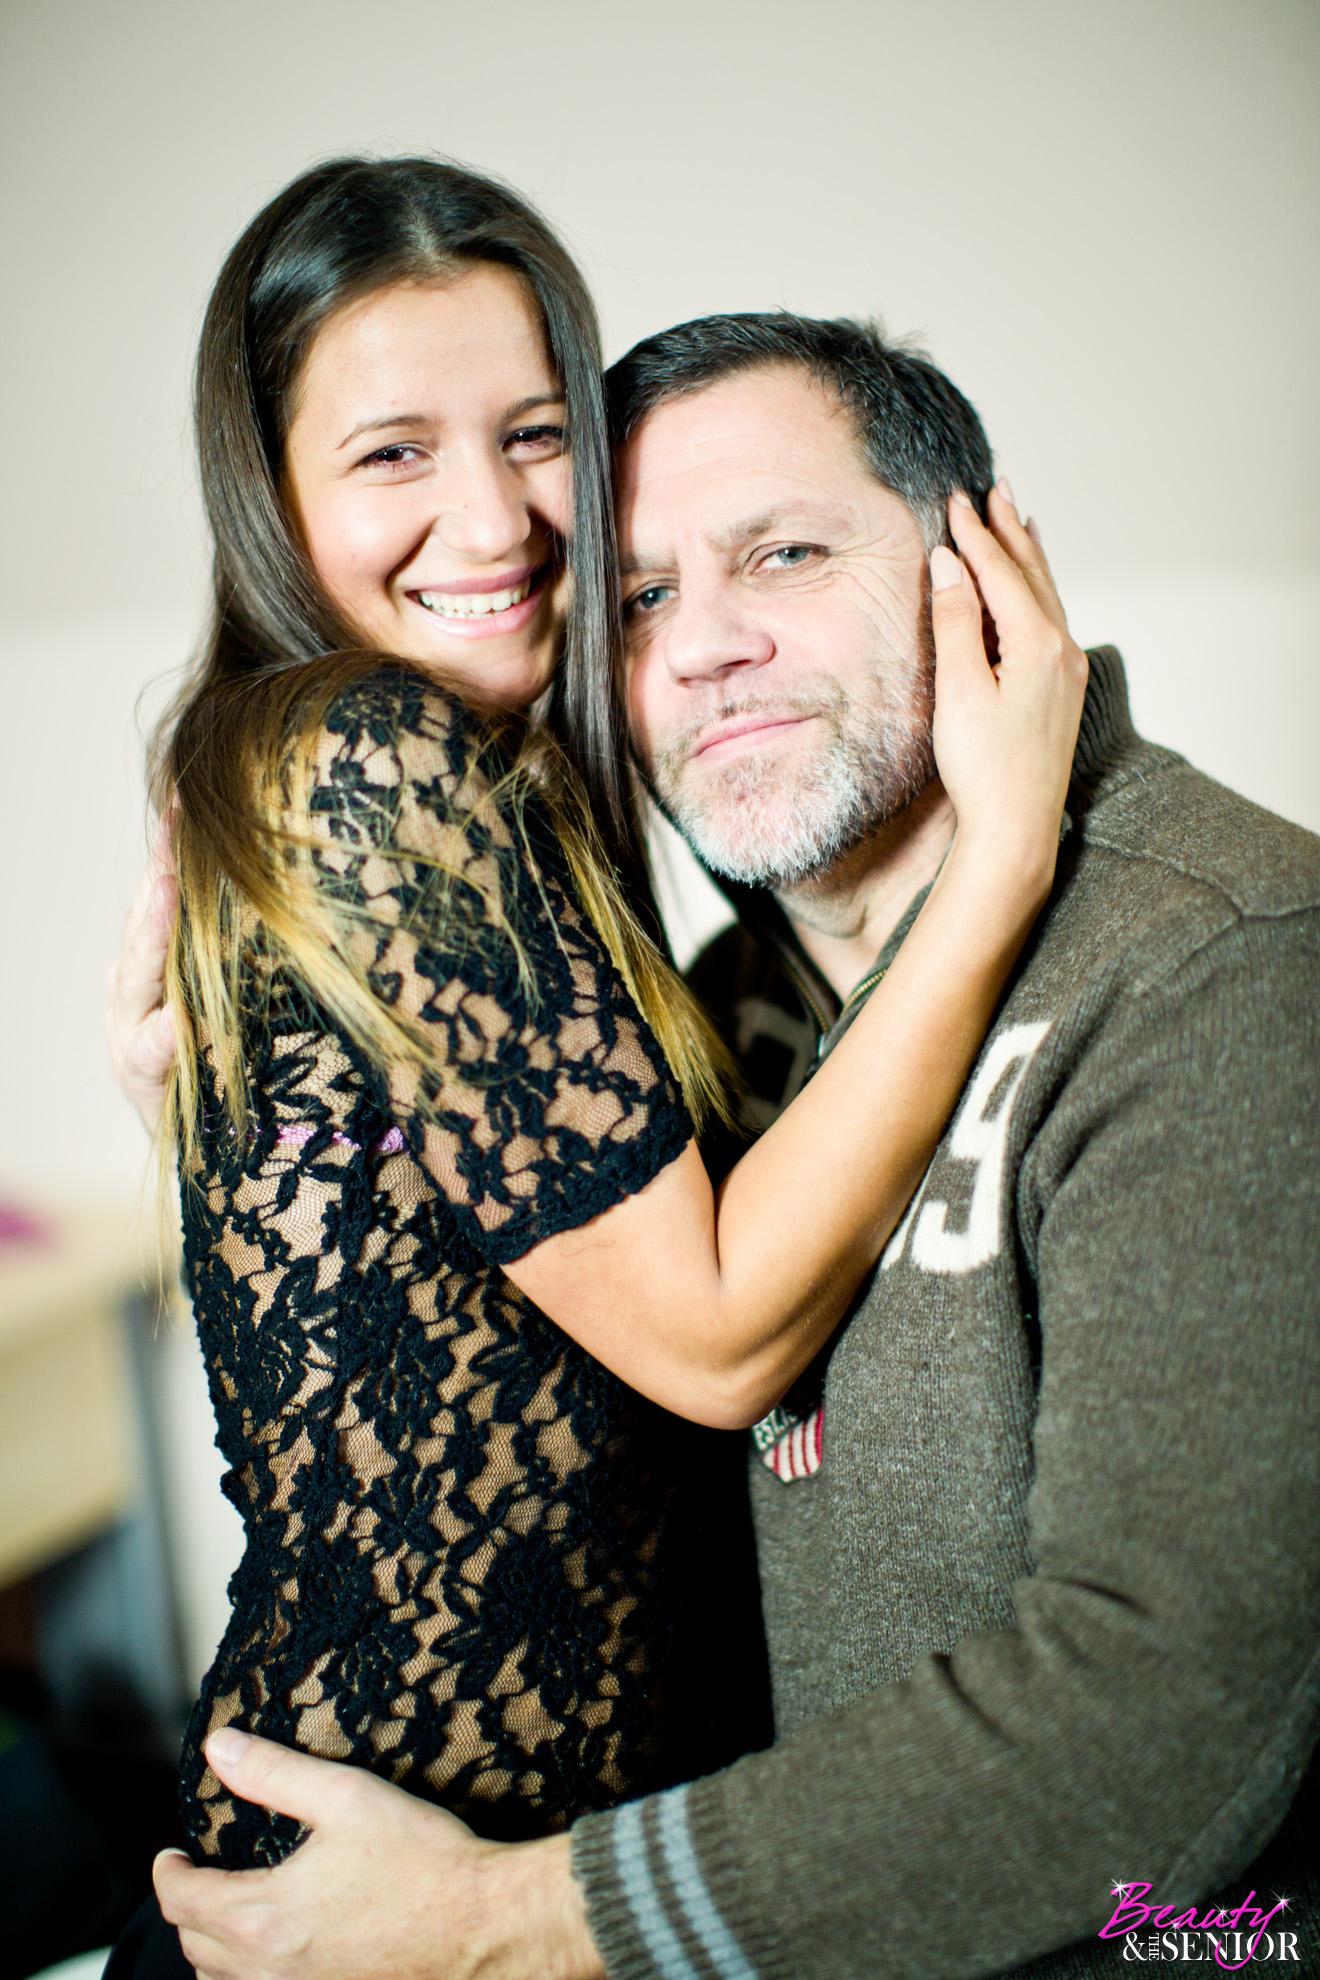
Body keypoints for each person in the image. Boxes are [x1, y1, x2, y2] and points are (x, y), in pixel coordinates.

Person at [122, 311, 1320, 1978]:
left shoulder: (1225, 964)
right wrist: (288, 1114)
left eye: (784, 554)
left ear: (979, 572)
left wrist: (512, 1924)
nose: (704, 648)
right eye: (638, 598)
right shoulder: (714, 1016)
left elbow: (1169, 1713)